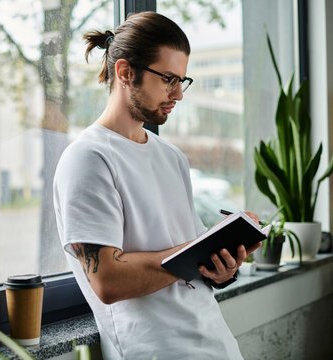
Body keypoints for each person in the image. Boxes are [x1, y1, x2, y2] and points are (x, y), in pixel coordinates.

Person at [52, 11, 262, 360]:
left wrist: (221, 267)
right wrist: (193, 252)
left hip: (218, 345)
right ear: (125, 72)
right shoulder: (88, 158)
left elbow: (190, 259)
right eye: (168, 79)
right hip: (155, 351)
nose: (178, 94)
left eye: (182, 80)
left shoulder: (171, 156)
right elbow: (108, 281)